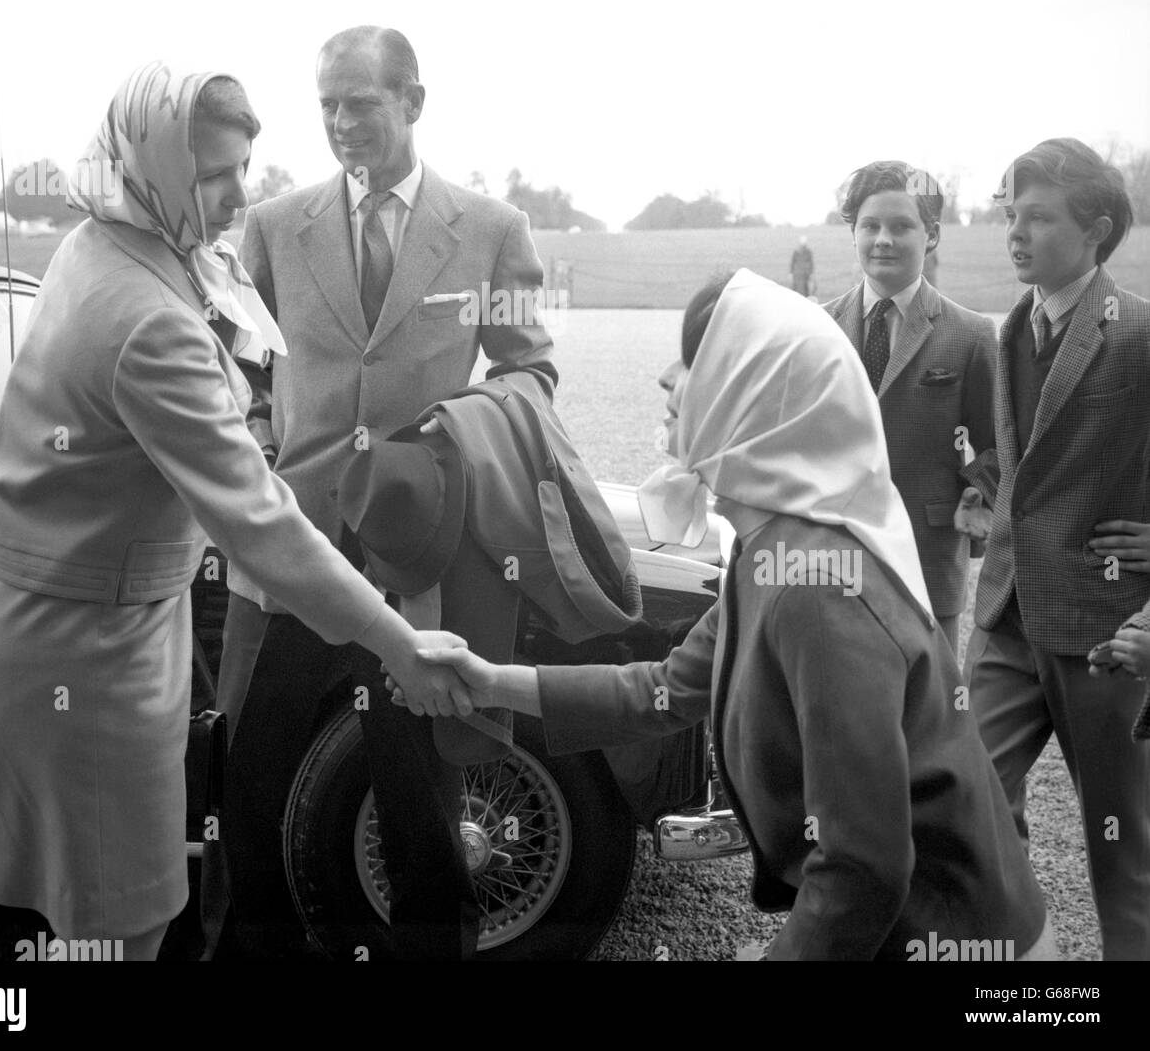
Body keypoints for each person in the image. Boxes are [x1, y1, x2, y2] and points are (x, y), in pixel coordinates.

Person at [0, 62, 469, 962]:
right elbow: (256, 523)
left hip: (84, 623)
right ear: (155, 166)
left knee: (96, 915)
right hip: (86, 645)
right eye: (213, 176)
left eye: (243, 167)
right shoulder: (147, 317)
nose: (238, 199)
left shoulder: (111, 235)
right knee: (123, 923)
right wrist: (399, 643)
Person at [403, 270, 1055, 960]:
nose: (664, 379)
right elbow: (661, 689)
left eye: (692, 360)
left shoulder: (816, 588)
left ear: (752, 396)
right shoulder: (774, 546)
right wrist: (489, 680)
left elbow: (862, 869)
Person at [211, 26, 556, 960]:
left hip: (417, 570)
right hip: (289, 562)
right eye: (325, 104)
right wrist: (259, 453)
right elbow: (235, 376)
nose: (339, 122)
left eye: (359, 102)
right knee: (245, 793)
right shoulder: (276, 227)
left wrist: (451, 440)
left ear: (412, 101)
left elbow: (531, 376)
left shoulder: (490, 231)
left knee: (420, 817)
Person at [955, 137, 1150, 961]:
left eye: (1037, 217)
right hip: (1001, 617)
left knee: (1121, 855)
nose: (1015, 232)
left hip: (1103, 631)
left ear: (1095, 229)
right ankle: (1023, 980)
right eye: (1010, 215)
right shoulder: (1007, 330)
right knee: (966, 812)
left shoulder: (1138, 332)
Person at [824, 160, 996, 654]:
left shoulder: (972, 335)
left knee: (926, 716)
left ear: (933, 234)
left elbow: (992, 450)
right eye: (870, 226)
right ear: (853, 233)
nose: (884, 239)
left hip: (928, 559)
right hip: (830, 560)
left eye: (902, 226)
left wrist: (979, 501)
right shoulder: (816, 329)